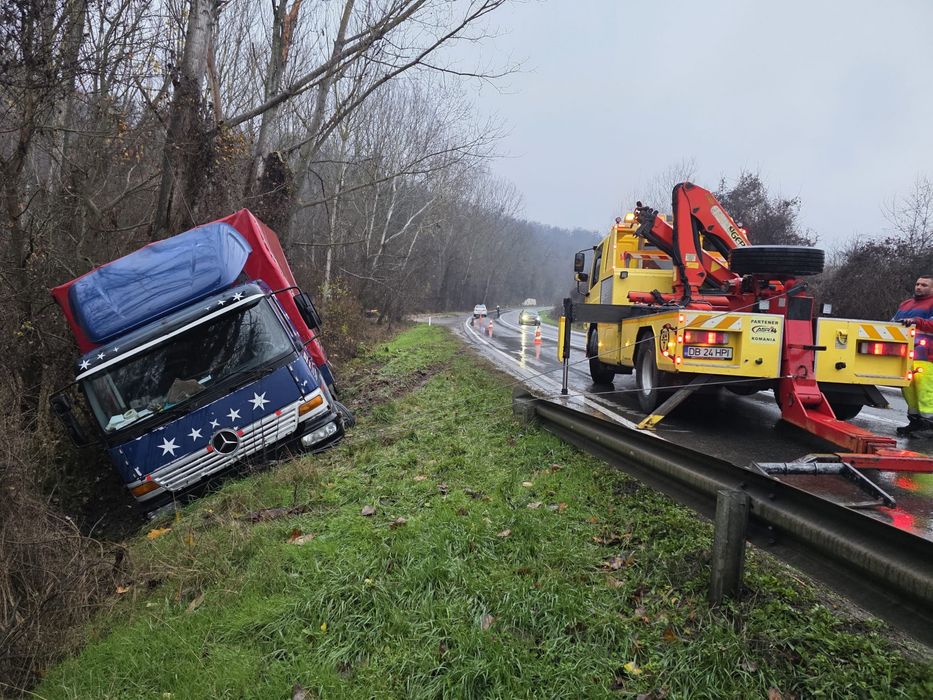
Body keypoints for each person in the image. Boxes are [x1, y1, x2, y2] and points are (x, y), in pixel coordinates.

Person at [892, 275, 933, 436]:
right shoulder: (905, 304)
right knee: (908, 389)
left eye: (924, 285)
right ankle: (916, 421)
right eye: (917, 284)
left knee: (925, 390)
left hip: (927, 356)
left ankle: (929, 424)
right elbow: (894, 322)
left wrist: (916, 321)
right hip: (905, 356)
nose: (919, 287)